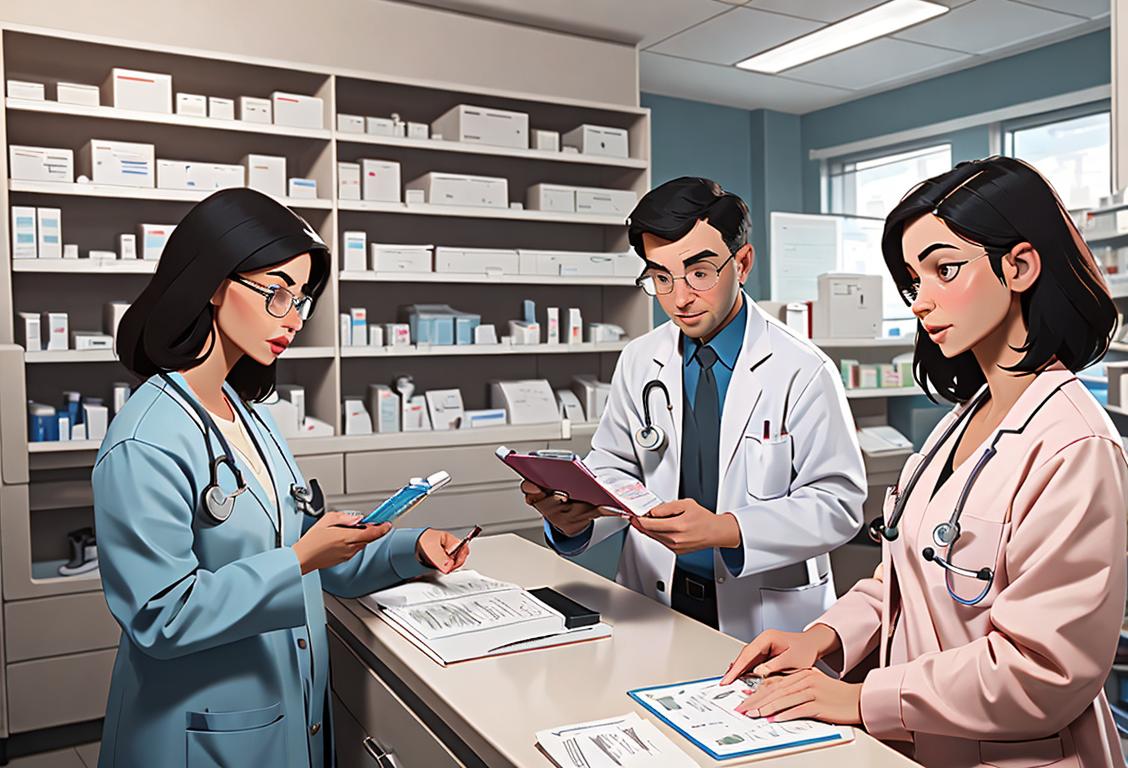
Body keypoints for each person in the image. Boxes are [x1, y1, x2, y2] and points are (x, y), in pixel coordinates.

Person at [723, 157, 1128, 767]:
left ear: (1018, 266)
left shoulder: (1074, 446)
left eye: (945, 269)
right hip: (920, 743)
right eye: (915, 280)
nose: (921, 301)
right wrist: (824, 637)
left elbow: (1043, 669)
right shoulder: (961, 421)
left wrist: (861, 699)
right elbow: (905, 577)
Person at [92, 188, 471, 768]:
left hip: (279, 714)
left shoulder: (247, 414)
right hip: (199, 736)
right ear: (214, 283)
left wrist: (409, 547)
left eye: (301, 299)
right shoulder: (146, 439)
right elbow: (159, 617)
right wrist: (297, 559)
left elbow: (306, 545)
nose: (293, 319)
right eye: (276, 293)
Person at [521, 176, 866, 639]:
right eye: (661, 277)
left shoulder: (802, 369)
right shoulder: (641, 359)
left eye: (699, 273)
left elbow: (839, 503)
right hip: (654, 596)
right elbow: (614, 469)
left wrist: (729, 529)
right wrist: (574, 517)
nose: (679, 298)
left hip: (761, 612)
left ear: (742, 263)